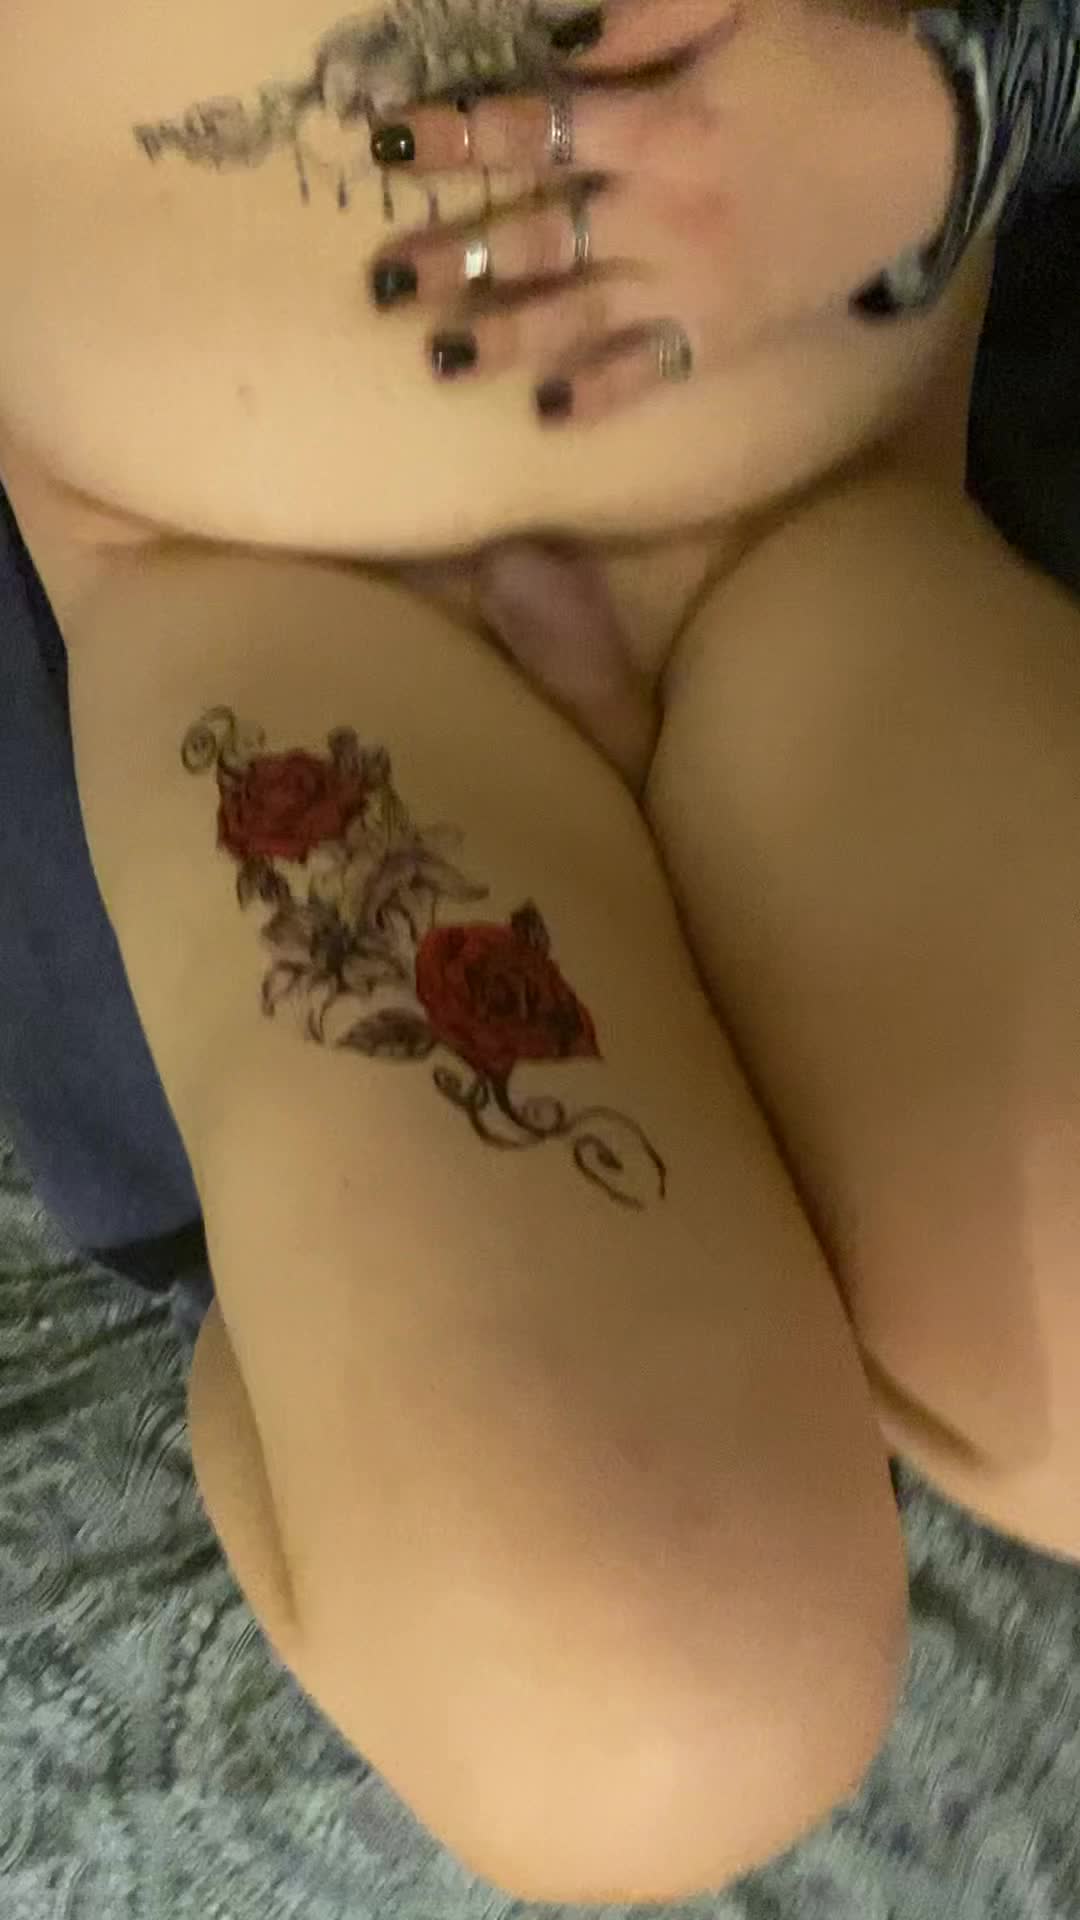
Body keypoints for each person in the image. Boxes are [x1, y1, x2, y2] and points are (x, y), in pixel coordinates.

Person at [1, 0, 1079, 1903]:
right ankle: (418, 1301)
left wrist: (948, 115)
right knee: (640, 1701)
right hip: (257, 593)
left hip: (817, 530)